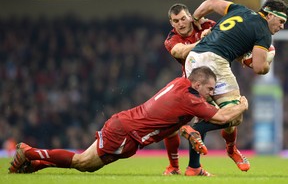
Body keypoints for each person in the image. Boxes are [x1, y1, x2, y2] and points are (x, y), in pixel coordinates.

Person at [8, 66, 249, 174]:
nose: (211, 93)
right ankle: (30, 153)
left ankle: (36, 164)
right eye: (209, 88)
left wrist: (187, 132)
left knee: (86, 163)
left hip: (125, 125)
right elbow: (221, 117)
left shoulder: (180, 83)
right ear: (197, 84)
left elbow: (173, 125)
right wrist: (241, 105)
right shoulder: (191, 99)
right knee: (84, 163)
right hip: (126, 133)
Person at [183, 0, 288, 176]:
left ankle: (194, 167)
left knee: (204, 112)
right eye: (281, 21)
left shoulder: (239, 9)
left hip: (194, 58)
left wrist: (195, 21)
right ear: (270, 15)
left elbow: (210, 2)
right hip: (215, 62)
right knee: (236, 113)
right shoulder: (263, 31)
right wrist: (266, 63)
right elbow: (258, 67)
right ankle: (224, 146)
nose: (282, 27)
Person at [161, 3, 216, 175]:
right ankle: (176, 167)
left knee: (229, 120)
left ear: (190, 17)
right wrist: (204, 40)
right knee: (169, 127)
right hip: (190, 86)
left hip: (216, 82)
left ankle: (230, 149)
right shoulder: (172, 39)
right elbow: (180, 52)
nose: (180, 23)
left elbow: (227, 34)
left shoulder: (207, 25)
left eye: (183, 18)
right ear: (171, 23)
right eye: (176, 21)